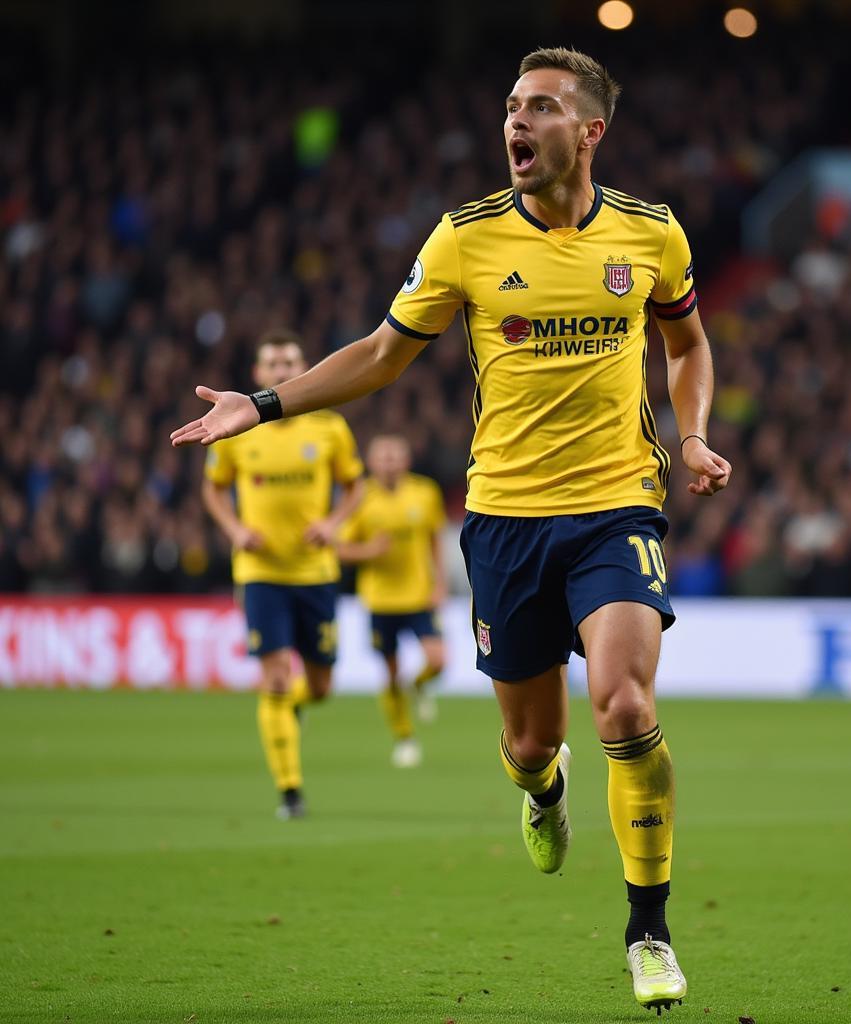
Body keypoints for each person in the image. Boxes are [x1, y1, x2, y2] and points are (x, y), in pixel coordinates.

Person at [173, 47, 731, 1012]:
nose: (516, 123)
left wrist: (693, 436)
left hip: (617, 507)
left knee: (627, 709)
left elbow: (686, 341)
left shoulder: (651, 234)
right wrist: (263, 405)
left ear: (590, 132)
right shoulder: (465, 239)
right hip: (506, 521)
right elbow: (385, 354)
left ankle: (649, 929)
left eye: (542, 108)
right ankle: (543, 793)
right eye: (511, 108)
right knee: (529, 745)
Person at [201, 329, 365, 820]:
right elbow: (213, 490)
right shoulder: (237, 430)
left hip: (315, 571)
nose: (281, 371)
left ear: (305, 368)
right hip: (261, 572)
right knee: (274, 677)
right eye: (271, 364)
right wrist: (234, 528)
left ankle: (291, 709)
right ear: (257, 374)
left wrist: (333, 524)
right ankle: (290, 791)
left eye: (289, 362)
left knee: (318, 687)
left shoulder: (330, 428)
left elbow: (355, 488)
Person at [336, 434, 447, 768]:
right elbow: (339, 548)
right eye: (382, 457)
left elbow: (435, 539)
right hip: (380, 600)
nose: (389, 463)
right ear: (371, 463)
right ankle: (405, 738)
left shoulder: (425, 492)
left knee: (438, 660)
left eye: (394, 456)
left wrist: (440, 582)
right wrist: (369, 551)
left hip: (418, 595)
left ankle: (419, 686)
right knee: (391, 672)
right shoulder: (360, 498)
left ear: (406, 461)